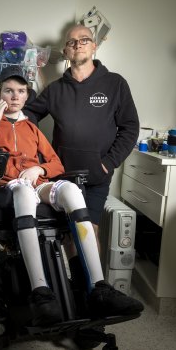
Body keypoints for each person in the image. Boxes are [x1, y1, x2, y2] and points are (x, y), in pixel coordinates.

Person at [0, 65, 143, 327]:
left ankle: (98, 287)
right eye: (8, 91)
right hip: (8, 187)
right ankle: (41, 291)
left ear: (27, 96)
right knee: (23, 192)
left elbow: (56, 165)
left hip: (37, 184)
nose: (15, 96)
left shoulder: (31, 128)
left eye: (20, 91)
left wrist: (39, 168)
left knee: (71, 189)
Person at [25, 24, 140, 250]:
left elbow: (130, 128)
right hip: (61, 174)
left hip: (97, 174)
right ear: (66, 51)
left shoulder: (115, 83)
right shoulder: (55, 89)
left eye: (84, 39)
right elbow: (28, 114)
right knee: (68, 234)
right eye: (71, 42)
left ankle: (94, 285)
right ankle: (77, 282)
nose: (78, 45)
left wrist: (108, 164)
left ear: (94, 46)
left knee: (88, 233)